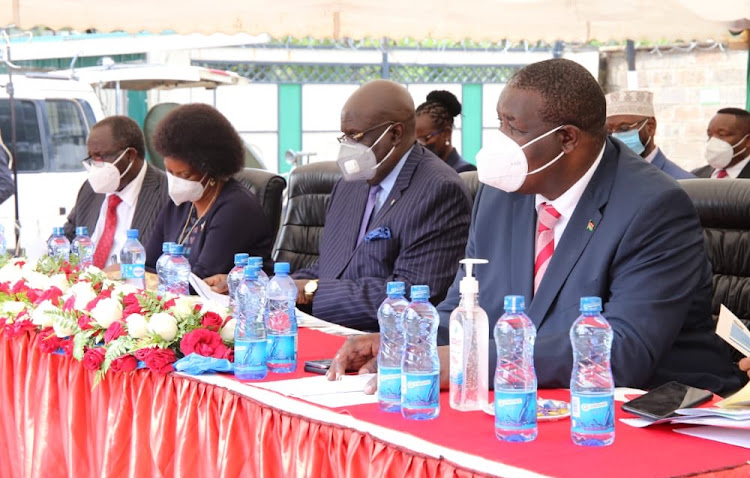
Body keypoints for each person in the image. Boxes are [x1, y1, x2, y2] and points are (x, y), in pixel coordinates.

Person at [329, 59, 745, 397]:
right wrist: (404, 340)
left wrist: (467, 361)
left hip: (652, 411)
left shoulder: (653, 207)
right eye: (500, 123)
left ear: (567, 139)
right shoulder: (500, 192)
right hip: (530, 398)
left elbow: (623, 351)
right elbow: (464, 307)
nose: (500, 141)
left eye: (515, 128)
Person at [292, 80, 472, 331]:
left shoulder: (439, 190)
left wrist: (314, 291)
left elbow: (413, 295)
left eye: (354, 136)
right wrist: (278, 286)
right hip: (322, 331)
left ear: (395, 134)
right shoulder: (350, 182)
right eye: (343, 136)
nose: (347, 147)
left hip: (383, 347)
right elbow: (331, 269)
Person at [144, 104, 274, 278]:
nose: (176, 181)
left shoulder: (236, 208)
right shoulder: (179, 204)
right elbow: (148, 265)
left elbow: (200, 280)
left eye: (184, 174)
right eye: (170, 172)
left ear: (210, 168)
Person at [64, 116, 168, 268]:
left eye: (100, 157)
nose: (95, 166)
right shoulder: (91, 188)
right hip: (83, 284)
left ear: (130, 155)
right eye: (91, 158)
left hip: (133, 287)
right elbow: (69, 235)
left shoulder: (166, 193)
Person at [605, 90, 693, 180]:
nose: (615, 136)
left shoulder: (682, 182)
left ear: (651, 126)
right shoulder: (608, 179)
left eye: (624, 128)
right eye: (608, 131)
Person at [415, 90, 476, 173]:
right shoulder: (422, 169)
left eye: (425, 138)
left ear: (446, 134)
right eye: (415, 140)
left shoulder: (465, 172)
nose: (419, 146)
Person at [691, 108, 750, 179]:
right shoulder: (696, 176)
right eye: (710, 135)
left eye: (722, 134)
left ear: (747, 141)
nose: (713, 141)